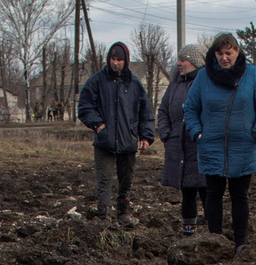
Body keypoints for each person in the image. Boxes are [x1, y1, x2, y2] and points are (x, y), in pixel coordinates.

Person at [183, 31, 256, 253]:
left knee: (239, 196)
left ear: (237, 52)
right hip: (211, 147)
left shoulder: (251, 75)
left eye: (229, 53)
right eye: (220, 53)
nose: (225, 57)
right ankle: (216, 241)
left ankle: (240, 242)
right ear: (214, 54)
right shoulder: (204, 77)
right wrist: (198, 133)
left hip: (243, 147)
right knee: (213, 195)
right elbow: (190, 108)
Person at [77, 41, 154, 225]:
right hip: (105, 141)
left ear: (125, 60)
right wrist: (99, 125)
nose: (115, 63)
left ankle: (123, 213)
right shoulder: (97, 81)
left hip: (128, 141)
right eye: (112, 59)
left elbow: (145, 111)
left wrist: (146, 135)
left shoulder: (134, 83)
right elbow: (85, 106)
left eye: (119, 59)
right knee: (104, 179)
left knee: (126, 179)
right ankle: (104, 215)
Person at [159, 43, 208, 233]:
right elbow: (163, 111)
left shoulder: (206, 83)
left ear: (195, 62)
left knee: (206, 190)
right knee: (187, 191)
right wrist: (166, 134)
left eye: (183, 59)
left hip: (200, 146)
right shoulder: (174, 86)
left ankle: (213, 232)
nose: (179, 63)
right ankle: (189, 230)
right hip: (179, 147)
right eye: (178, 59)